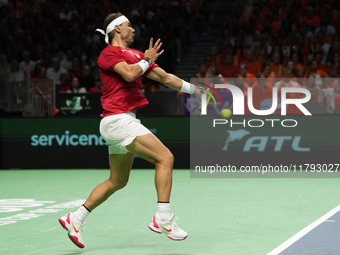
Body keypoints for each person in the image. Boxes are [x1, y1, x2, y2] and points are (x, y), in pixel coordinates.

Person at [58, 13, 201, 248]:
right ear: (116, 30)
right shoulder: (109, 54)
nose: (133, 30)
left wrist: (195, 90)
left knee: (118, 180)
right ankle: (162, 218)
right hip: (118, 120)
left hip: (119, 122)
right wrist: (146, 59)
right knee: (165, 158)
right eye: (128, 26)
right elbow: (130, 73)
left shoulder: (136, 55)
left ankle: (75, 218)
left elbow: (165, 77)